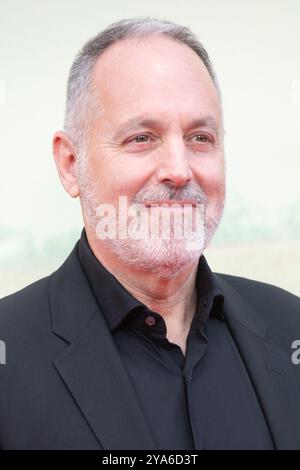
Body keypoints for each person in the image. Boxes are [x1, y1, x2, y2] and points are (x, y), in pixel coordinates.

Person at [0, 17, 299, 451]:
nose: (179, 170)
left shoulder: (289, 326)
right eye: (142, 138)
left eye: (200, 137)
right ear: (70, 164)